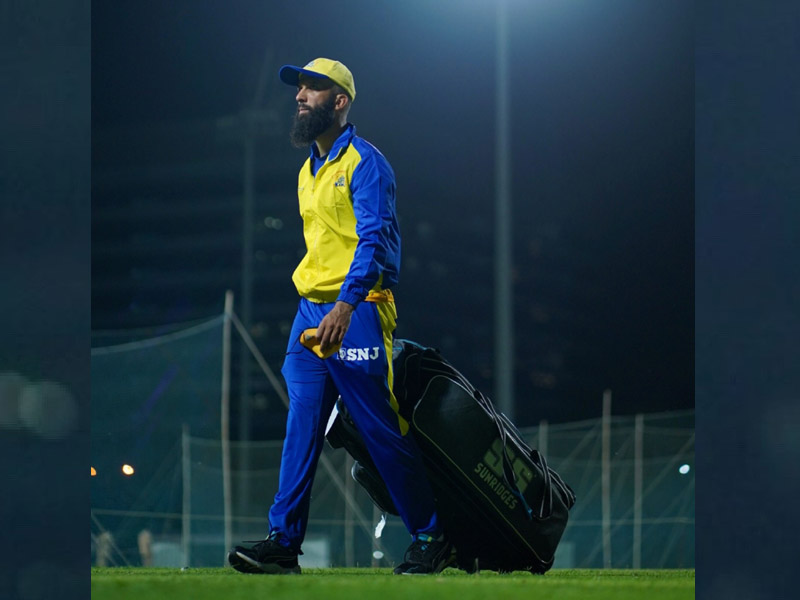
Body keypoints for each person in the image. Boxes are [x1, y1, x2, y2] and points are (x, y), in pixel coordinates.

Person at [227, 58, 454, 575]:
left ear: (340, 100)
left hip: (360, 309)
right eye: (299, 87)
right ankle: (283, 544)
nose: (300, 95)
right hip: (309, 312)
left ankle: (431, 535)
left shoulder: (366, 163)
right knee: (301, 426)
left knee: (377, 426)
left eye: (313, 87)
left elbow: (374, 241)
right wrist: (321, 307)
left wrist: (346, 306)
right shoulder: (308, 170)